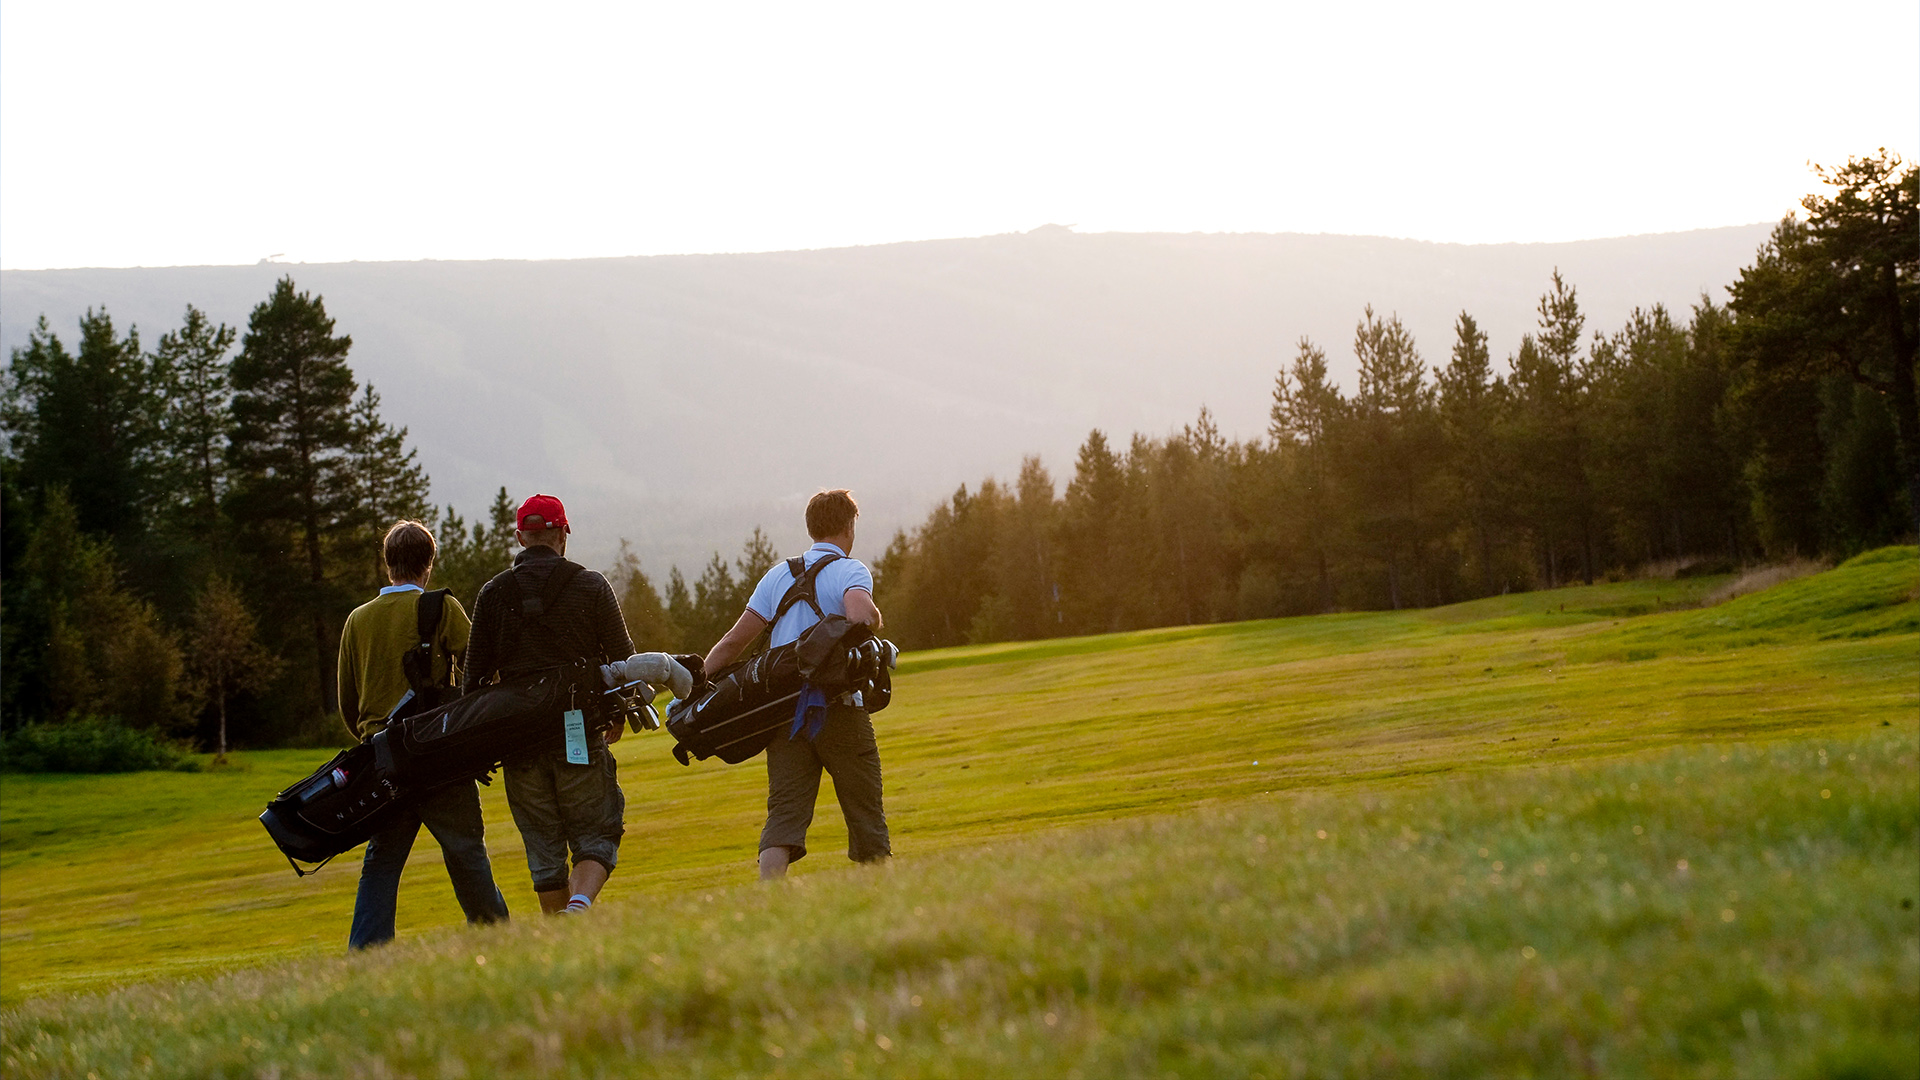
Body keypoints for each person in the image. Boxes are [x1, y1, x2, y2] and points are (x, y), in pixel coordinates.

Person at [336, 519, 509, 950]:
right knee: (465, 851)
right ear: (428, 563)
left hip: (382, 760)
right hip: (438, 752)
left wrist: (373, 739)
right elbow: (482, 666)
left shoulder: (357, 620)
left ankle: (368, 952)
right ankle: (495, 938)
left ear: (388, 563)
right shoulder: (440, 607)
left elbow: (348, 702)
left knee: (381, 862)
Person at [703, 488, 891, 880]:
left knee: (784, 815)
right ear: (849, 527)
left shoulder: (777, 576)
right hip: (840, 708)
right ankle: (880, 894)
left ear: (811, 528)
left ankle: (769, 898)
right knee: (865, 811)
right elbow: (860, 617)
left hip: (783, 716)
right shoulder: (851, 571)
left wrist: (695, 688)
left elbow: (734, 643)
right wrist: (875, 618)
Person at [464, 493, 634, 914]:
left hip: (518, 742)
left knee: (543, 851)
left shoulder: (492, 594)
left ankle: (561, 936)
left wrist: (480, 747)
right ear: (563, 535)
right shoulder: (591, 585)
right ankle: (580, 906)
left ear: (520, 537)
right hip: (579, 729)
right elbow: (624, 660)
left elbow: (474, 682)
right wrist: (619, 711)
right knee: (597, 835)